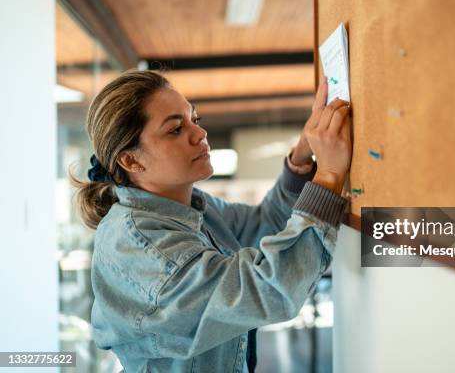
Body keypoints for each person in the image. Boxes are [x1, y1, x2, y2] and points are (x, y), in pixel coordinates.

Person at [69, 69, 352, 372]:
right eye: (176, 129)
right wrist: (329, 177)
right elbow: (267, 290)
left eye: (195, 120)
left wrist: (301, 157)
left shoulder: (186, 205)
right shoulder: (141, 245)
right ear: (131, 160)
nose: (200, 133)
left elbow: (264, 224)